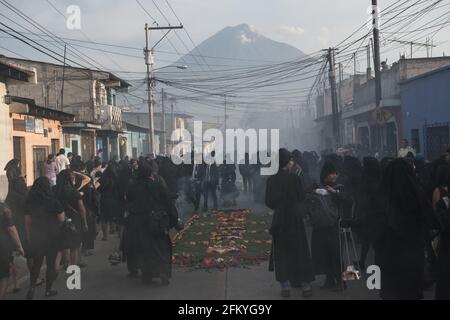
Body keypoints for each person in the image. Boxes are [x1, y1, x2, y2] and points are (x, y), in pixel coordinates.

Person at [371, 158, 431, 300]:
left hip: (388, 258)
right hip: (412, 258)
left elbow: (373, 226)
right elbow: (429, 221)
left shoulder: (381, 195)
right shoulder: (417, 193)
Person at [265, 149, 315, 298]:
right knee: (299, 251)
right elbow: (301, 197)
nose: (292, 163)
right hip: (295, 220)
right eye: (290, 161)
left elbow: (268, 202)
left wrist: (279, 207)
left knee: (282, 254)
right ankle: (306, 286)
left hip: (279, 221)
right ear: (285, 162)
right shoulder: (294, 178)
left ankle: (285, 287)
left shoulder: (271, 180)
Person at [123, 161, 178, 284]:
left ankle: (147, 274)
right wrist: (173, 219)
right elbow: (167, 201)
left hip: (139, 223)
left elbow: (128, 202)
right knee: (161, 247)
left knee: (144, 249)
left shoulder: (132, 185)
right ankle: (162, 273)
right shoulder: (156, 184)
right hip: (156, 222)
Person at [24, 177, 65, 299]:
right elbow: (62, 220)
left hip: (37, 236)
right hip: (53, 237)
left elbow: (27, 222)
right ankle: (48, 290)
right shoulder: (54, 202)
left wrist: (28, 237)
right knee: (51, 264)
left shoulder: (29, 202)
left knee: (36, 264)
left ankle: (32, 288)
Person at [310, 161, 349, 292]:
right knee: (325, 253)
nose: (335, 175)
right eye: (332, 173)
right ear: (326, 174)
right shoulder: (319, 186)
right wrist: (315, 191)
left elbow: (347, 200)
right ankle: (329, 280)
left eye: (335, 173)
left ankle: (343, 281)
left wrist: (334, 192)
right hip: (321, 225)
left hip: (336, 225)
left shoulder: (339, 186)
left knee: (337, 254)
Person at [4, 159, 30, 291]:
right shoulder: (23, 194)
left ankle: (15, 283)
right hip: (20, 228)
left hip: (9, 231)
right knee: (20, 253)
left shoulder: (8, 198)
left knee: (11, 256)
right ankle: (19, 281)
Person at [55, 170, 89, 268]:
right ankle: (73, 265)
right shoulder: (74, 192)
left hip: (60, 220)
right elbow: (82, 209)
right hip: (74, 219)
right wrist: (85, 223)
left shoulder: (55, 191)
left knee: (64, 243)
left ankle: (66, 262)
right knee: (75, 244)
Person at [0, 203, 24, 300]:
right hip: (3, 245)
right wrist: (19, 246)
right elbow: (11, 229)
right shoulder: (4, 208)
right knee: (4, 275)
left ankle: (16, 282)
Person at [97, 163, 122, 240]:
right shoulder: (118, 179)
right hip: (115, 199)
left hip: (105, 199)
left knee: (104, 218)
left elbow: (96, 187)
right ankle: (119, 234)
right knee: (117, 217)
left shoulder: (102, 178)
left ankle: (105, 236)